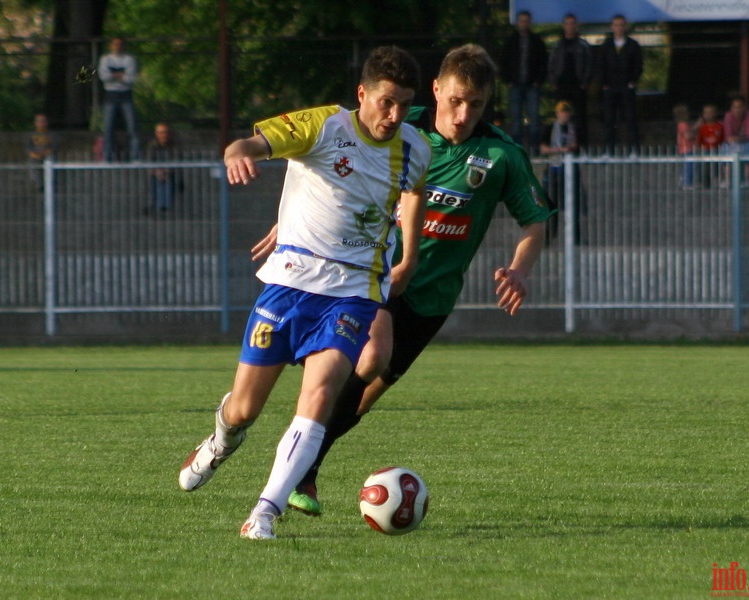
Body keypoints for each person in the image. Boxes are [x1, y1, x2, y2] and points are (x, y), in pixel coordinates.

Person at [278, 44, 553, 517]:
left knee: (365, 395)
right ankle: (296, 459)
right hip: (378, 272)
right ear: (437, 90)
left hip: (434, 297)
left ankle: (306, 461)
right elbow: (333, 156)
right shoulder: (401, 125)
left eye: (476, 104)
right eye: (455, 100)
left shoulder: (500, 155)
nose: (464, 113)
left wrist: (519, 269)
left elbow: (535, 222)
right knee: (371, 355)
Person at [176, 46, 431, 541]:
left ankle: (264, 512)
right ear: (363, 94)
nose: (394, 114)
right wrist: (237, 158)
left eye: (403, 104)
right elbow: (247, 145)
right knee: (245, 408)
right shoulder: (324, 126)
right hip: (290, 285)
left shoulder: (416, 148)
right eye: (386, 101)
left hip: (354, 292)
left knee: (319, 392)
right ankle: (221, 441)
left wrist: (410, 253)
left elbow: (414, 189)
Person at [500, 10, 548, 157]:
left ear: (530, 22)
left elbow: (543, 61)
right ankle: (517, 152)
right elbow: (504, 61)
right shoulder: (511, 41)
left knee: (534, 119)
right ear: (517, 22)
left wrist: (538, 81)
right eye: (521, 20)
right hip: (515, 85)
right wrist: (508, 81)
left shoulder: (536, 41)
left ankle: (534, 151)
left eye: (526, 21)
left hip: (532, 85)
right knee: (515, 121)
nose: (524, 23)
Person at [597, 14, 643, 155]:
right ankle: (609, 151)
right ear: (612, 27)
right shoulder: (606, 45)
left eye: (621, 25)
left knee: (630, 119)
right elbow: (600, 65)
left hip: (626, 87)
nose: (619, 28)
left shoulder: (633, 45)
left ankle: (634, 150)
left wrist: (632, 81)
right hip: (610, 87)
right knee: (609, 120)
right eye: (616, 25)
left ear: (625, 26)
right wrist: (604, 83)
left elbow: (638, 65)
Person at [547, 13, 593, 145]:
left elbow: (589, 64)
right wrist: (553, 82)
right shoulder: (558, 45)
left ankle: (581, 147)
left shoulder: (583, 45)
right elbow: (551, 64)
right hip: (561, 86)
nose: (570, 26)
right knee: (562, 117)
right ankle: (560, 145)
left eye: (573, 23)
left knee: (580, 118)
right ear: (563, 25)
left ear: (576, 25)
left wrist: (585, 82)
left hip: (578, 86)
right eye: (567, 23)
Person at [540, 101, 579, 243]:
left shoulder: (573, 128)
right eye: (562, 112)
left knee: (573, 204)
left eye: (567, 112)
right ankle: (550, 235)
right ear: (557, 113)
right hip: (554, 168)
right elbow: (543, 149)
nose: (565, 115)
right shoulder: (550, 128)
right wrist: (561, 150)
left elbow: (576, 147)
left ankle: (575, 237)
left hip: (569, 169)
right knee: (551, 204)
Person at [98, 37, 140, 162]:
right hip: (110, 95)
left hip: (126, 95)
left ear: (124, 46)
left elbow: (130, 79)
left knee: (132, 127)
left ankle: (135, 157)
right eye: (115, 44)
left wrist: (113, 76)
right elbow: (103, 77)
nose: (117, 46)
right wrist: (121, 75)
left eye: (120, 44)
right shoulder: (105, 59)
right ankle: (107, 157)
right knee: (108, 128)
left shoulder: (129, 60)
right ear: (111, 45)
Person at [722, 95, 749, 187]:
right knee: (724, 148)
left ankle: (748, 180)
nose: (737, 110)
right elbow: (728, 135)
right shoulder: (728, 116)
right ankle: (727, 180)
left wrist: (737, 139)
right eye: (734, 107)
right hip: (733, 142)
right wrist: (733, 140)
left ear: (744, 107)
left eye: (739, 107)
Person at [144, 122, 179, 216]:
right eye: (161, 132)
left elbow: (176, 161)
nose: (163, 135)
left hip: (169, 172)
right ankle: (158, 205)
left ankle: (164, 207)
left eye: (165, 132)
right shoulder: (152, 145)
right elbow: (149, 161)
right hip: (155, 172)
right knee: (157, 181)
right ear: (156, 134)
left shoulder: (174, 145)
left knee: (168, 181)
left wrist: (166, 171)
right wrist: (157, 171)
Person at [25, 113, 57, 191]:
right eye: (39, 121)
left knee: (50, 160)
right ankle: (38, 185)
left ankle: (49, 183)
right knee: (32, 164)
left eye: (43, 121)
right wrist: (34, 155)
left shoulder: (52, 135)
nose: (41, 123)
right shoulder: (31, 135)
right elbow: (28, 147)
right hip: (35, 156)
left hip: (47, 155)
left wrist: (45, 153)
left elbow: (54, 147)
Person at [696, 104, 725, 187]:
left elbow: (723, 138)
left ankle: (718, 180)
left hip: (717, 150)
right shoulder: (702, 128)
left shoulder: (720, 126)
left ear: (715, 113)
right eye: (706, 113)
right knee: (705, 167)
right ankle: (705, 182)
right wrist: (698, 149)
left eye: (710, 112)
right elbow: (699, 140)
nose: (708, 115)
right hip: (706, 150)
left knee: (717, 166)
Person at [673, 104, 695, 189]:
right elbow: (688, 136)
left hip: (682, 149)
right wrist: (695, 136)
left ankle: (683, 181)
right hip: (687, 148)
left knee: (685, 166)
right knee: (688, 166)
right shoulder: (683, 124)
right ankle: (687, 183)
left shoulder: (680, 124)